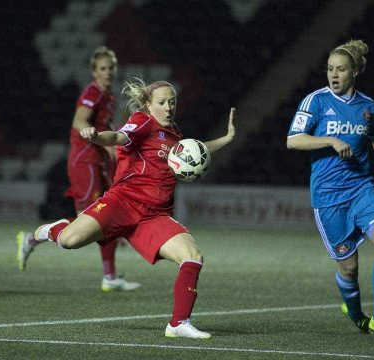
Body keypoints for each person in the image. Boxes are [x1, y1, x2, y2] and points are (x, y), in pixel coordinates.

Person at [19, 78, 236, 339]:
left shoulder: (174, 134)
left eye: (172, 102)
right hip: (122, 203)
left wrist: (227, 138)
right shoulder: (143, 122)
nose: (168, 108)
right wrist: (98, 137)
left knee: (192, 256)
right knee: (69, 241)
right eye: (162, 102)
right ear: (148, 104)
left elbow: (198, 150)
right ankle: (48, 231)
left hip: (153, 216)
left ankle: (178, 323)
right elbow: (119, 137)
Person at [287, 40, 374, 339]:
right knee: (349, 268)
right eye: (329, 69)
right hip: (328, 197)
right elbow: (294, 140)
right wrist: (329, 140)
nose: (333, 75)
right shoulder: (316, 102)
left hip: (362, 187)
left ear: (355, 72)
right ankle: (355, 312)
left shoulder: (367, 106)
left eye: (340, 69)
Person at [17, 46, 141, 292]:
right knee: (89, 219)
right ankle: (32, 238)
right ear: (94, 71)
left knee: (108, 215)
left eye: (111, 68)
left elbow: (104, 127)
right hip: (84, 161)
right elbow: (78, 120)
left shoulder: (109, 96)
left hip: (97, 160)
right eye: (103, 68)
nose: (108, 72)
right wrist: (93, 136)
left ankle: (110, 276)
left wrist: (110, 145)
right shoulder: (93, 91)